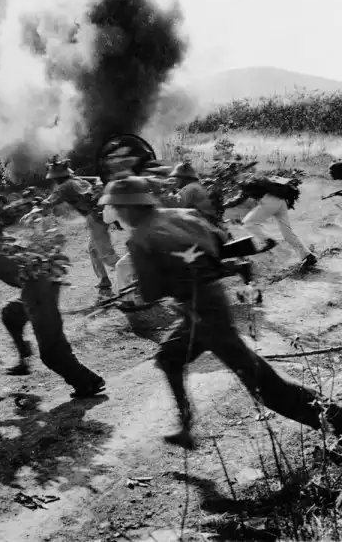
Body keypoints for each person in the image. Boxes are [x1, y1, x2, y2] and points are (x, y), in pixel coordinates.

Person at [99, 176, 342, 449]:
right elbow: (220, 242)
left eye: (117, 207)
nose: (117, 213)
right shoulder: (183, 215)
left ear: (130, 206)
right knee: (169, 358)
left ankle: (337, 421)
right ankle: (185, 424)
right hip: (210, 300)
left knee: (265, 387)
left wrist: (143, 287)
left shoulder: (139, 240)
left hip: (202, 313)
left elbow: (152, 293)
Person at [0, 207, 106, 397]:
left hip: (37, 290)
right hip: (43, 280)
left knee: (51, 351)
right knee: (11, 313)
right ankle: (24, 359)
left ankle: (88, 382)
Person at [21, 158, 119, 302]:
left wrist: (31, 211)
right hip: (100, 214)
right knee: (93, 249)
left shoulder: (65, 186)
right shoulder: (76, 180)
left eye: (54, 178)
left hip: (95, 218)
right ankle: (104, 279)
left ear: (57, 177)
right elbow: (97, 180)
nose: (53, 180)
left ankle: (133, 273)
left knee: (106, 254)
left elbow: (47, 204)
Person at [223, 176, 317, 269]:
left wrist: (224, 206)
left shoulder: (243, 181)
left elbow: (240, 198)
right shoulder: (254, 178)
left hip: (270, 202)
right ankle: (307, 256)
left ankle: (267, 240)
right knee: (287, 233)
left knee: (248, 223)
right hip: (281, 202)